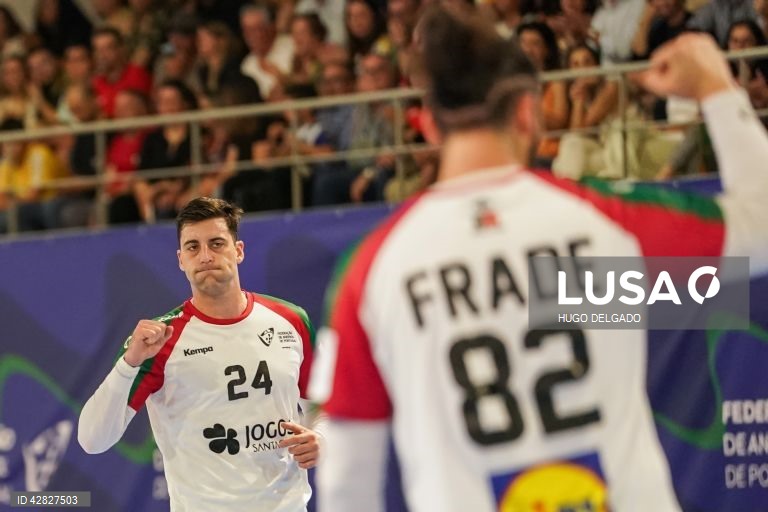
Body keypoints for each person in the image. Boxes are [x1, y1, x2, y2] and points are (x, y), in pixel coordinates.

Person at [313, 6, 768, 512]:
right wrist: (715, 86)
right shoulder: (600, 222)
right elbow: (762, 231)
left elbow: (349, 480)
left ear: (428, 126)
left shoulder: (374, 269)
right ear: (529, 111)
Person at [78, 197, 324, 511]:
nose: (205, 256)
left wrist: (322, 440)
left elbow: (322, 405)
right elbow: (92, 440)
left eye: (217, 243)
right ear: (181, 259)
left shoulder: (291, 320)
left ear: (239, 250)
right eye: (193, 247)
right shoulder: (159, 340)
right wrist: (129, 363)